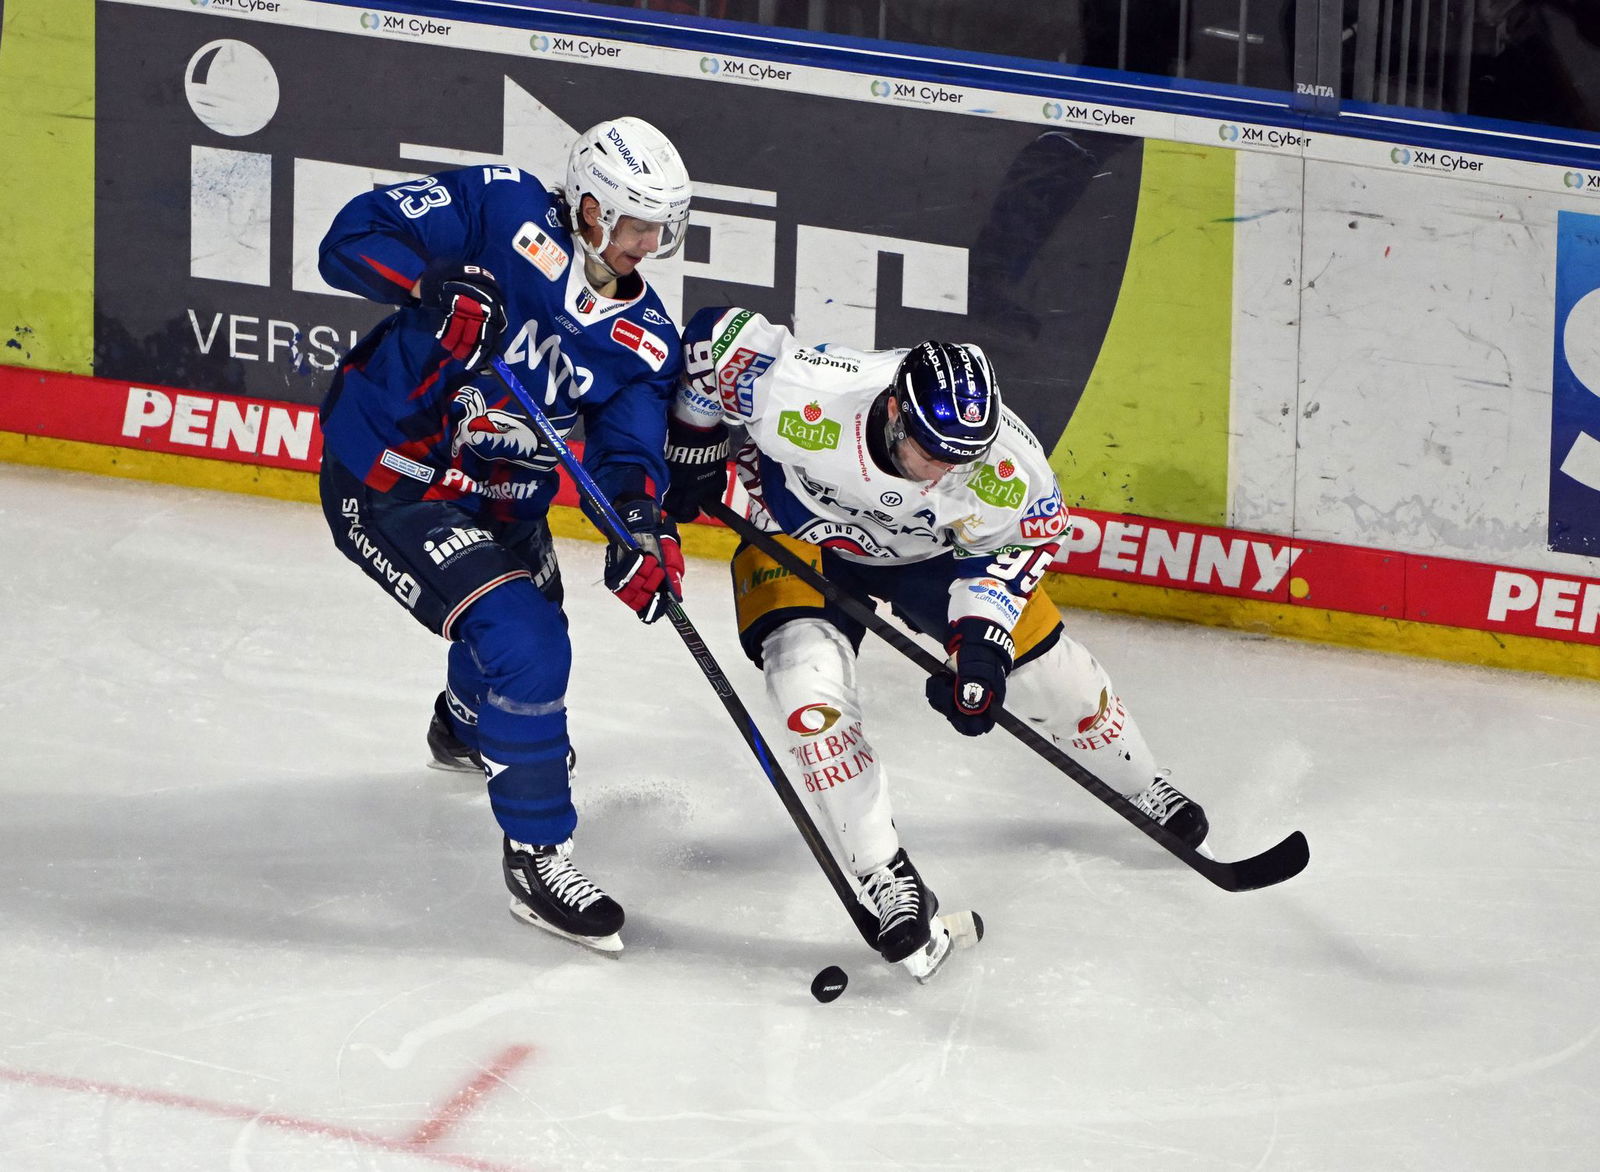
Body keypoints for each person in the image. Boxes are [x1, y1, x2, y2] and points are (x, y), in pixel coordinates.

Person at [662, 308, 1207, 974]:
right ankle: (884, 874)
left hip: (926, 557)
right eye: (932, 452)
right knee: (809, 694)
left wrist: (981, 649)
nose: (946, 471)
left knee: (1050, 676)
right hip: (794, 533)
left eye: (962, 458)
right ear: (895, 413)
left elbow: (1016, 546)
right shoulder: (810, 391)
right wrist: (694, 444)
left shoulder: (1007, 463)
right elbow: (713, 341)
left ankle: (1144, 784)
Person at [315, 117, 692, 953]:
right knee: (527, 642)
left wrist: (639, 526)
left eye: (662, 227)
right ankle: (538, 857)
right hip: (394, 479)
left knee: (531, 622)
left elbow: (628, 453)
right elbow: (348, 240)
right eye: (636, 224)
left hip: (503, 497)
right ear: (589, 207)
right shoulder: (499, 206)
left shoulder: (646, 338)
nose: (649, 244)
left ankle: (463, 724)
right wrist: (432, 284)